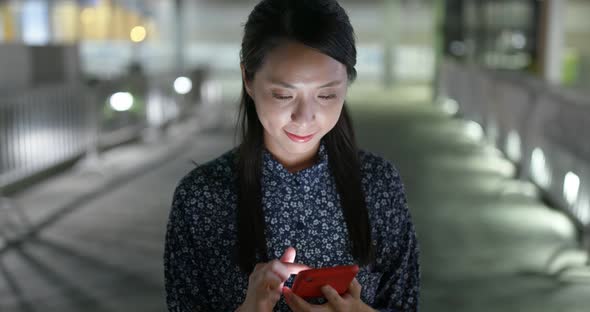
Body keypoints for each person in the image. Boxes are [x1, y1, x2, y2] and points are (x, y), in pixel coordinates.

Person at [163, 0, 420, 311]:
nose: (305, 116)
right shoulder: (200, 198)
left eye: (327, 94)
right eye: (284, 94)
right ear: (248, 78)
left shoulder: (379, 185)